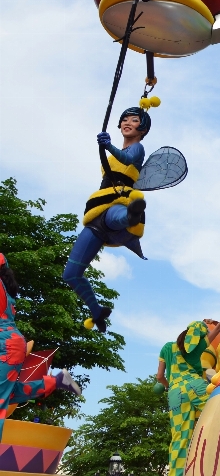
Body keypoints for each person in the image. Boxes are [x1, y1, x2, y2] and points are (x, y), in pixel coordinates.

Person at [64, 107, 151, 332]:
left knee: (115, 217)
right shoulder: (112, 155)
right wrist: (108, 147)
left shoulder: (137, 148)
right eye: (124, 119)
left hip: (120, 198)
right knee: (71, 274)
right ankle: (97, 311)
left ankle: (132, 216)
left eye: (134, 120)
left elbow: (128, 157)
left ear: (143, 128)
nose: (127, 122)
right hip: (99, 205)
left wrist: (108, 145)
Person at [156, 300, 220, 476]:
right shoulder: (200, 345)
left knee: (179, 437)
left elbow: (160, 376)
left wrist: (169, 387)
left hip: (176, 393)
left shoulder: (167, 348)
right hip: (196, 386)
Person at [0, 254, 82, 439]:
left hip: (5, 346)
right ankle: (57, 381)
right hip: (9, 344)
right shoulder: (5, 288)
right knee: (10, 394)